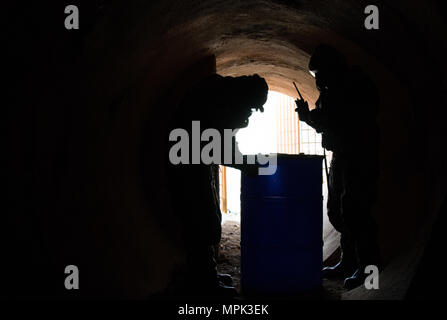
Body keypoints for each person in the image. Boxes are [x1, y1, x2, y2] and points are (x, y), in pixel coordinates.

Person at [166, 74, 268, 297]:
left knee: (202, 221)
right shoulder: (223, 98)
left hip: (191, 157)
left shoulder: (222, 91)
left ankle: (205, 273)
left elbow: (219, 140)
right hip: (188, 161)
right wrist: (246, 165)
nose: (250, 112)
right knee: (202, 222)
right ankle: (204, 282)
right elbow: (220, 145)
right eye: (252, 107)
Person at [295, 44, 382, 289]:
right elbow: (327, 122)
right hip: (341, 155)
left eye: (319, 72)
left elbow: (342, 120)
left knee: (356, 211)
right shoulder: (332, 90)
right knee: (338, 210)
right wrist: (309, 116)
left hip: (359, 155)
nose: (318, 79)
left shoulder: (354, 86)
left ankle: (369, 268)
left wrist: (311, 116)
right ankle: (349, 261)